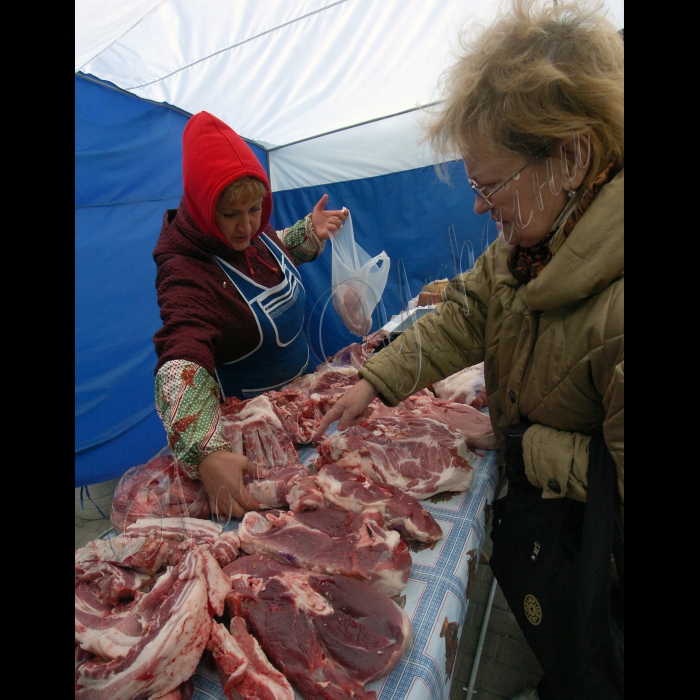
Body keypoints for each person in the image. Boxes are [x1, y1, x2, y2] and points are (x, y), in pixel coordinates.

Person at [314, 1, 623, 698]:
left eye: (491, 185)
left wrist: (525, 447)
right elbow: (472, 311)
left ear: (571, 156)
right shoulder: (531, 242)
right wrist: (379, 379)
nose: (480, 208)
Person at [153, 110, 348, 519]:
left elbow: (276, 251)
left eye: (255, 209)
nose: (247, 226)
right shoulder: (185, 268)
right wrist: (205, 452)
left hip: (302, 407)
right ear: (206, 208)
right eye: (231, 214)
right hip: (255, 436)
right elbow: (181, 351)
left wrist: (307, 232)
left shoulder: (254, 234)